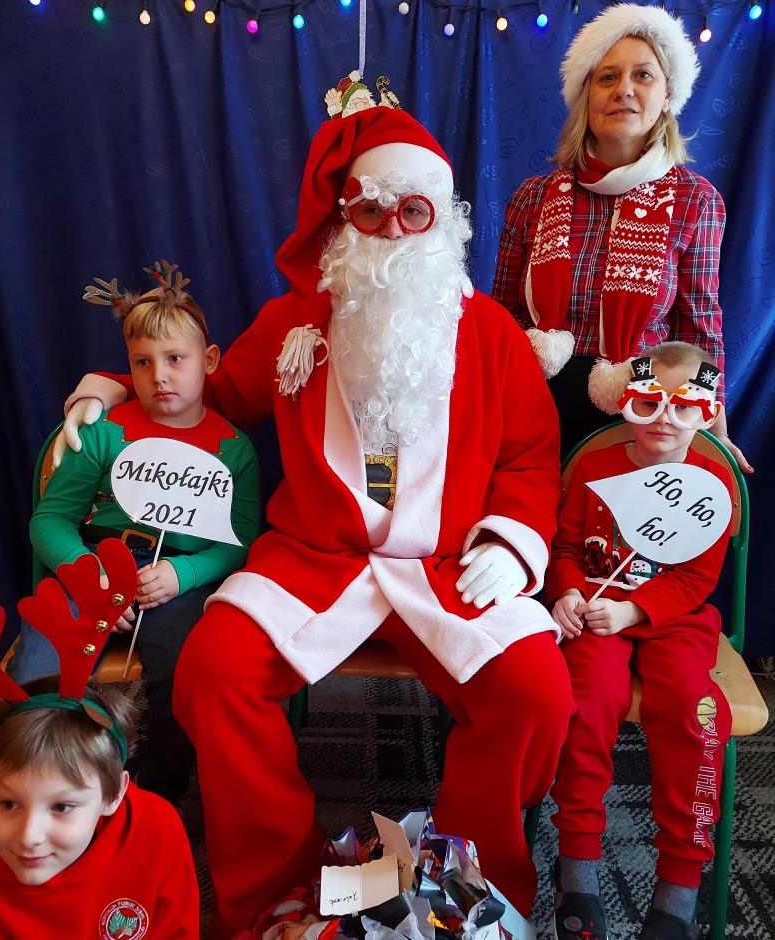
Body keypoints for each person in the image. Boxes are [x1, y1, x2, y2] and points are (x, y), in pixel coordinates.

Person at [58, 77, 574, 938]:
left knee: (537, 691)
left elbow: (530, 457)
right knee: (214, 674)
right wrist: (113, 386)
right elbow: (211, 395)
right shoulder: (298, 323)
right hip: (317, 558)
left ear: (443, 222)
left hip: (447, 563)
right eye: (372, 211)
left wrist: (514, 543)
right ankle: (277, 893)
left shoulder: (489, 334)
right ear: (345, 220)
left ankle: (472, 882)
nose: (393, 230)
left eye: (414, 211)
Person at [7, 261, 261, 804]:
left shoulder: (233, 449)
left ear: (208, 361)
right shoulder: (104, 435)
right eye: (142, 363)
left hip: (175, 581)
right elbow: (50, 520)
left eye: (175, 359)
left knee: (187, 671)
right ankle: (47, 783)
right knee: (39, 673)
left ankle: (158, 794)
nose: (159, 376)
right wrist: (88, 576)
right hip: (94, 568)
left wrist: (184, 572)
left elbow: (240, 540)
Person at [492, 3, 752, 473]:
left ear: (667, 94)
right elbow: (502, 319)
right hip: (531, 410)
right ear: (585, 94)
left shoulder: (696, 201)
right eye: (607, 77)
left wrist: (715, 430)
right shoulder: (533, 197)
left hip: (642, 417)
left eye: (643, 75)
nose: (624, 90)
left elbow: (699, 328)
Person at [547, 341, 732, 940]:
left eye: (684, 407)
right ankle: (577, 868)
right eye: (649, 402)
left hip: (675, 618)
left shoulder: (713, 482)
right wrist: (566, 591)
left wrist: (636, 611)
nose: (664, 420)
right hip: (597, 611)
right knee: (586, 700)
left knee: (692, 709)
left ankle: (679, 886)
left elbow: (698, 579)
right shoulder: (594, 468)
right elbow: (565, 548)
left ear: (707, 413)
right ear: (625, 400)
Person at [0, 542, 200, 939]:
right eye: (8, 803)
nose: (28, 836)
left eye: (61, 806)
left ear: (115, 794)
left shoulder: (158, 833)